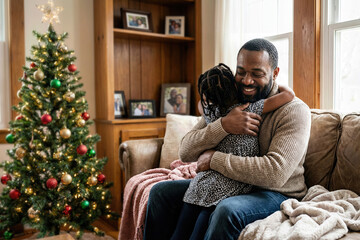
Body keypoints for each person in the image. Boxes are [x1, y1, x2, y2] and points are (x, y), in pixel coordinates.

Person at [143, 38, 311, 240]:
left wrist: (214, 160)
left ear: (275, 73)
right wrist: (223, 126)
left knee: (226, 209)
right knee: (161, 192)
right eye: (241, 72)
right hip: (229, 182)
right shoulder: (230, 100)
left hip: (275, 192)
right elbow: (186, 151)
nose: (247, 81)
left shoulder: (294, 111)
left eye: (257, 74)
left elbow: (275, 173)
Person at [170, 63, 295, 240]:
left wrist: (211, 110)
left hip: (202, 186)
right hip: (228, 187)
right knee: (196, 230)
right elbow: (288, 95)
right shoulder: (249, 109)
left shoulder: (210, 113)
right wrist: (275, 83)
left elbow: (200, 105)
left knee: (180, 232)